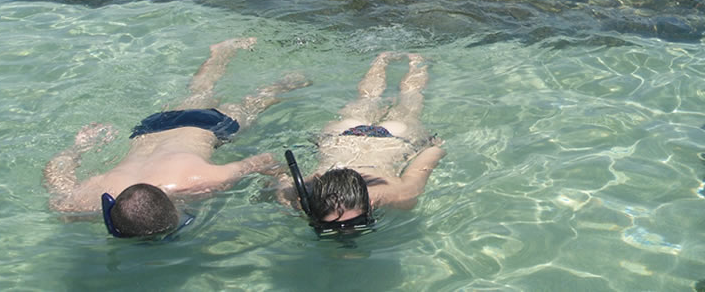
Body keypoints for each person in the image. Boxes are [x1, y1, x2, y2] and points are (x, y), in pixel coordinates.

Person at [44, 38, 310, 238]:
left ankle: (286, 83)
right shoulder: (89, 195)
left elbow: (264, 159)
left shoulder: (200, 182)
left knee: (253, 104)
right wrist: (79, 146)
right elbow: (56, 171)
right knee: (199, 91)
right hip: (149, 127)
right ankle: (220, 52)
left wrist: (281, 185)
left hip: (207, 126)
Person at [274, 52, 445, 235]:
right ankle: (408, 60)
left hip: (383, 139)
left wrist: (431, 146)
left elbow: (434, 152)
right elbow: (279, 178)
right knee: (402, 96)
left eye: (357, 222)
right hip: (347, 138)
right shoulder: (400, 195)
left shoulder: (402, 196)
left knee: (375, 98)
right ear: (369, 205)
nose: (346, 231)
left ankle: (389, 59)